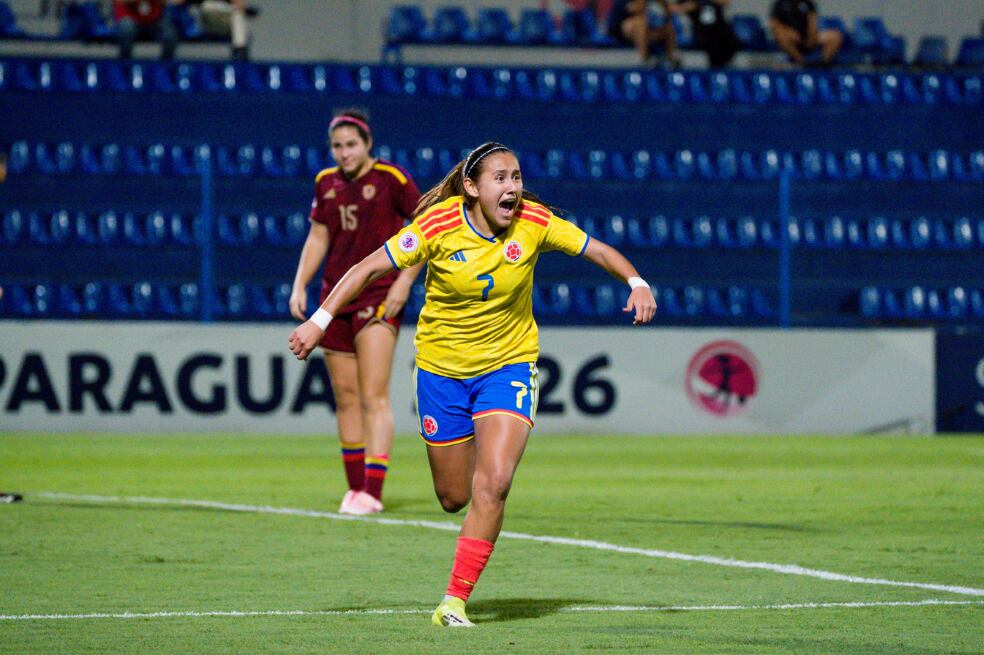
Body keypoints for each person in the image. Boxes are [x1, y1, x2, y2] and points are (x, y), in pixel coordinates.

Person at [288, 142, 657, 627]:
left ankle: (454, 602)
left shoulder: (536, 221)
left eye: (517, 176)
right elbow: (369, 268)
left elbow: (599, 250)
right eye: (500, 178)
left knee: (496, 482)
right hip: (442, 371)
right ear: (472, 187)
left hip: (509, 366)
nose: (512, 187)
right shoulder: (437, 225)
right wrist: (319, 320)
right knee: (453, 496)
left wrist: (637, 283)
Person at [289, 110, 423, 516]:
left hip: (379, 293)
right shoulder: (325, 183)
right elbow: (318, 236)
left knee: (373, 394)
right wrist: (300, 283)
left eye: (351, 144)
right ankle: (355, 491)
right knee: (345, 397)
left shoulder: (392, 179)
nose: (344, 152)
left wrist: (404, 282)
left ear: (367, 143)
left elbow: (424, 229)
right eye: (337, 146)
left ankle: (373, 490)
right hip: (336, 297)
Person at [768, 0, 842, 66]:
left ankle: (823, 63)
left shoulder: (808, 3)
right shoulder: (779, 4)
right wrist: (788, 31)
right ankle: (800, 61)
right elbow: (774, 24)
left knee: (835, 36)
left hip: (808, 37)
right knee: (781, 35)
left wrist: (811, 36)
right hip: (791, 37)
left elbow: (813, 21)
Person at [608, 0, 680, 67]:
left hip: (651, 28)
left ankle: (671, 57)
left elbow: (666, 14)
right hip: (622, 28)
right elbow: (633, 9)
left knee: (668, 27)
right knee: (640, 25)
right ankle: (644, 59)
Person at [673, 0, 739, 67]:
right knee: (713, 43)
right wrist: (689, 6)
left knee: (729, 40)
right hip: (703, 31)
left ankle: (724, 65)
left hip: (719, 29)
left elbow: (726, 2)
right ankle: (717, 66)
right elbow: (674, 8)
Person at [113, 0, 179, 60]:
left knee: (169, 33)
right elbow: (118, 1)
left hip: (155, 22)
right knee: (125, 28)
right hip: (133, 22)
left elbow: (178, 1)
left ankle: (165, 66)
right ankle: (125, 64)